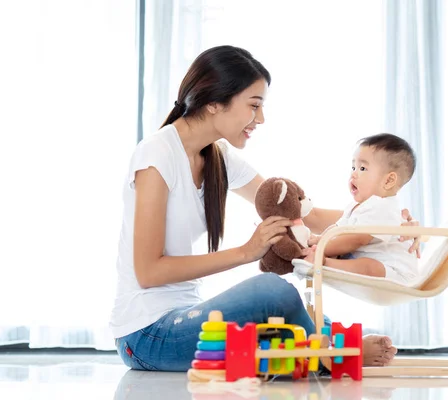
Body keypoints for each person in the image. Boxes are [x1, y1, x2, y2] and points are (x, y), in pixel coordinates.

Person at [109, 45, 421, 372]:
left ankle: (328, 345)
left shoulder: (218, 158)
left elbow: (305, 215)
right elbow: (149, 272)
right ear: (214, 102)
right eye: (254, 105)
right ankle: (333, 355)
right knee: (271, 291)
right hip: (147, 334)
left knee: (282, 310)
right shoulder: (156, 156)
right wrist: (248, 251)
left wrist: (382, 221)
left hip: (188, 313)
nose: (261, 118)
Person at [293, 133, 420, 285]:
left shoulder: (383, 207)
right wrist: (319, 240)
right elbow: (338, 228)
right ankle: (320, 259)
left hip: (397, 272)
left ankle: (323, 262)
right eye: (353, 167)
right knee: (364, 263)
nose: (353, 173)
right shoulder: (357, 206)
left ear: (389, 180)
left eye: (362, 168)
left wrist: (321, 247)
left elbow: (356, 239)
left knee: (369, 266)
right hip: (376, 264)